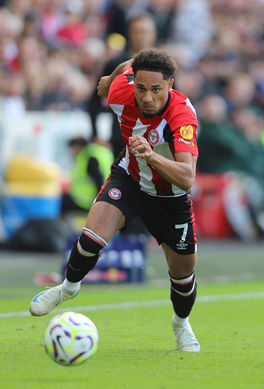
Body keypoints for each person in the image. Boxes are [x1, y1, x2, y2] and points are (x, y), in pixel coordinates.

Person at [29, 48, 201, 352]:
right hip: (131, 179)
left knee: (183, 278)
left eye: (157, 90)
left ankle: (180, 324)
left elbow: (187, 177)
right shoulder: (120, 92)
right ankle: (67, 289)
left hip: (170, 197)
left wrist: (151, 155)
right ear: (133, 83)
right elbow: (119, 76)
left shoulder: (182, 115)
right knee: (91, 236)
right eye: (142, 88)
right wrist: (113, 75)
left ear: (170, 87)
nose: (148, 97)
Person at [87, 12, 157, 156]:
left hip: (154, 140)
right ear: (129, 34)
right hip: (121, 141)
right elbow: (95, 100)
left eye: (144, 32)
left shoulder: (163, 66)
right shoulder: (115, 64)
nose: (140, 36)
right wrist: (95, 134)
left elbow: (176, 101)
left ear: (153, 35)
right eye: (136, 32)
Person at [61, 136, 114, 216]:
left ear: (78, 146)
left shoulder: (88, 158)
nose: (72, 152)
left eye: (73, 149)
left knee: (58, 202)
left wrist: (97, 206)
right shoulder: (96, 153)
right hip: (99, 199)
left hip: (85, 201)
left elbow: (99, 181)